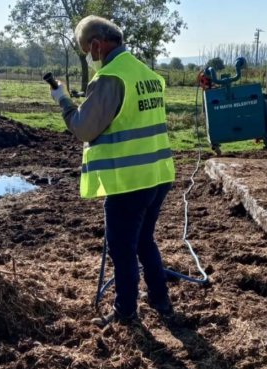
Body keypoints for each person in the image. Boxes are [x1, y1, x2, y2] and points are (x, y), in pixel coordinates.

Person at [49, 15, 175, 327]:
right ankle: (160, 299)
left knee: (122, 249)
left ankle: (126, 312)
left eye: (86, 51)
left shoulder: (110, 77)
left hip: (129, 180)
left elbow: (84, 128)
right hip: (158, 174)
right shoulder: (145, 73)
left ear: (96, 44)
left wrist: (63, 100)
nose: (89, 58)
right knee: (145, 240)